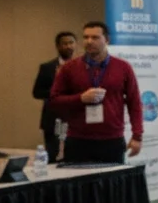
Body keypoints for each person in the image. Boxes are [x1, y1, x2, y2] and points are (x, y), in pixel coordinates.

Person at [49, 22, 144, 164]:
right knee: (80, 186)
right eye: (86, 37)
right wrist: (80, 98)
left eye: (95, 37)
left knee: (112, 185)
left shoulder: (123, 67)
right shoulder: (69, 68)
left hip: (112, 140)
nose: (89, 41)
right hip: (78, 140)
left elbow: (134, 102)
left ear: (106, 40)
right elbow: (54, 101)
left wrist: (137, 136)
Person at [32, 31, 77, 160]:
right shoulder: (47, 67)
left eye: (71, 43)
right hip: (53, 118)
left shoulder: (83, 66)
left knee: (74, 155)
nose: (68, 46)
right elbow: (37, 92)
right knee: (52, 155)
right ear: (58, 46)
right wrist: (56, 87)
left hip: (75, 117)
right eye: (65, 43)